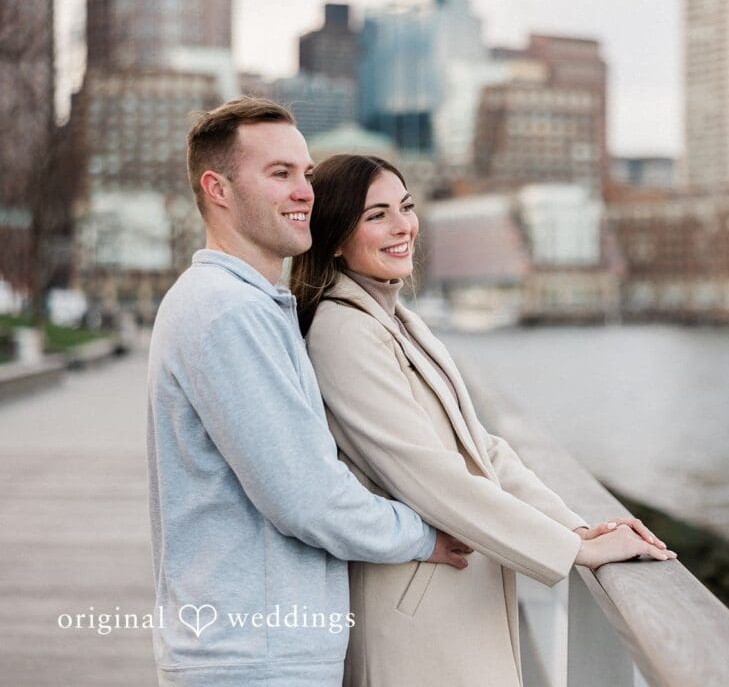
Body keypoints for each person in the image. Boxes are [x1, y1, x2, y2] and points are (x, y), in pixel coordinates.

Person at [291, 154, 677, 687]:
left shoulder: (396, 318)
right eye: (376, 215)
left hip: (455, 595)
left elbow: (482, 448)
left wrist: (572, 526)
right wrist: (575, 551)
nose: (403, 226)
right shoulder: (343, 332)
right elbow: (430, 474)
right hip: (416, 609)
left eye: (405, 207)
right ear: (334, 238)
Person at [146, 100, 470, 687]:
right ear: (217, 189)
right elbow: (306, 498)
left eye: (305, 172)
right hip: (253, 658)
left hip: (265, 650)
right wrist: (424, 535)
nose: (305, 191)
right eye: (279, 174)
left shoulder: (254, 305)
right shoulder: (228, 312)